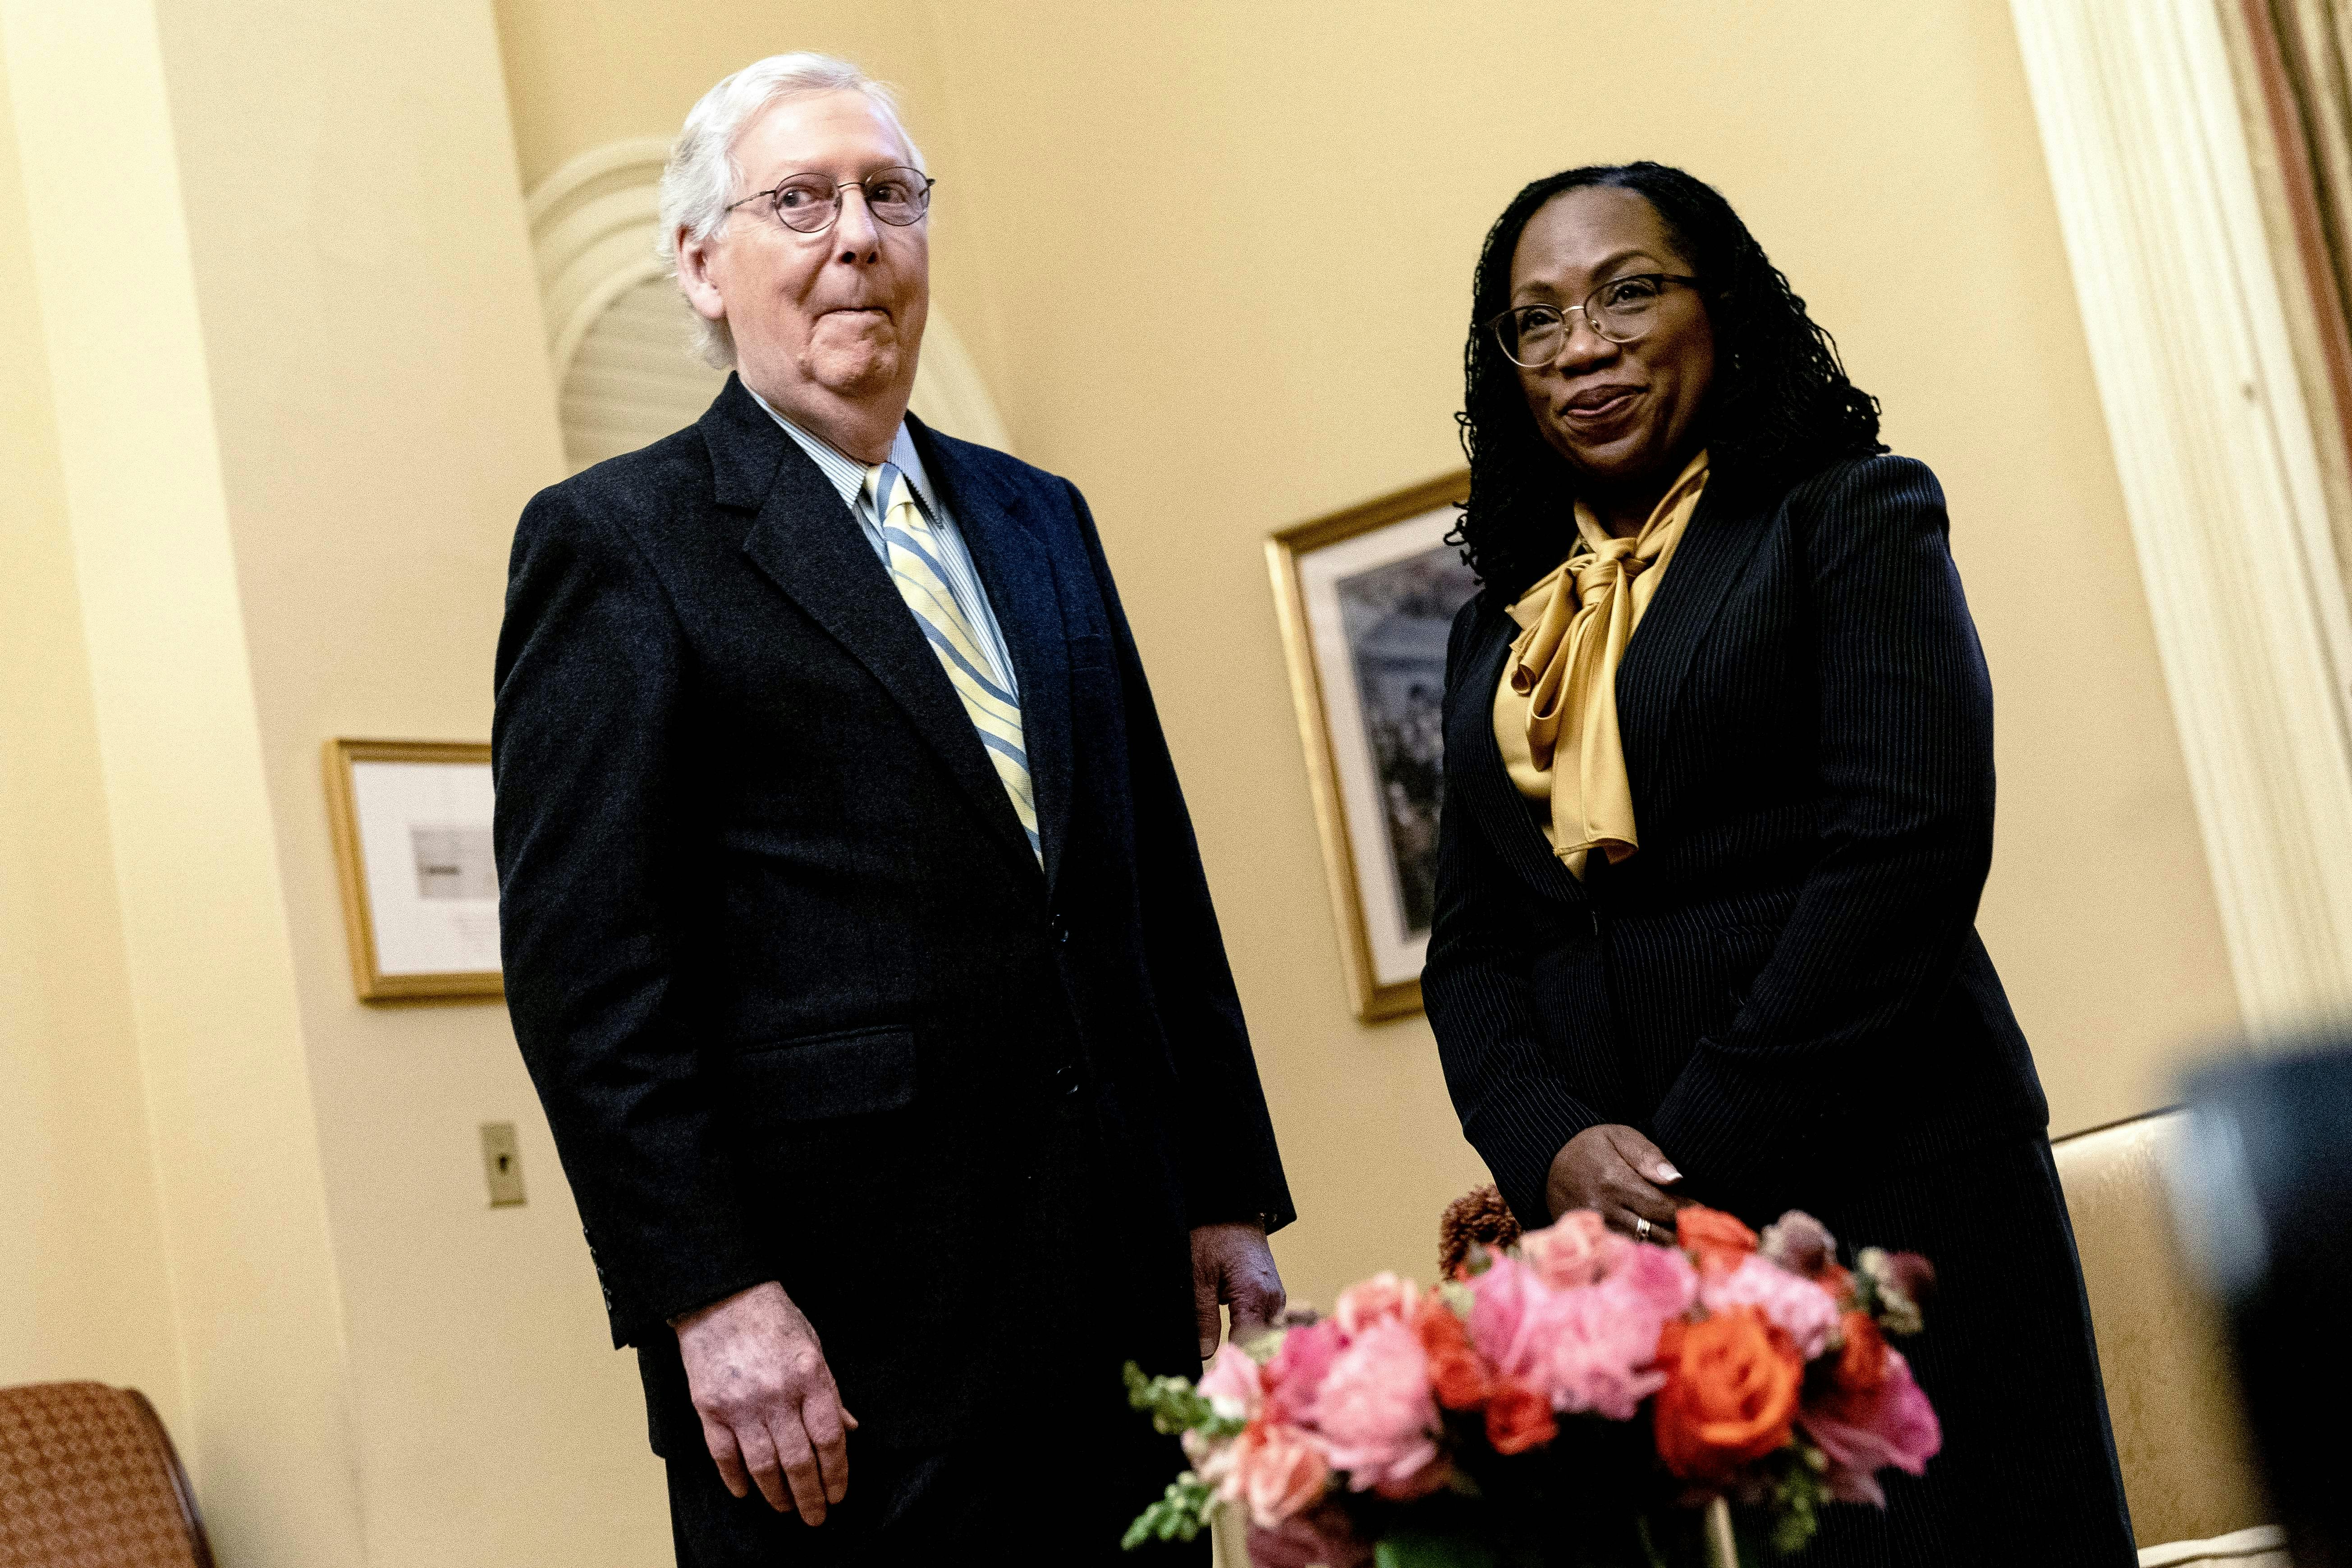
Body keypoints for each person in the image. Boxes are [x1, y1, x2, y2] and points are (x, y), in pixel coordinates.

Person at [492, 53, 1292, 1567]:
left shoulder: (1040, 516)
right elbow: (590, 978)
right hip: (835, 1357)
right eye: (796, 200)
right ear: (701, 263)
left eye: (888, 195)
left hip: (1114, 1308)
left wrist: (1222, 1192)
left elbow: (1144, 885)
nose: (855, 235)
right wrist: (709, 1294)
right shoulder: (618, 544)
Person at [1421, 163, 2135, 1564]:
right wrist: (1549, 1143)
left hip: (1888, 1194)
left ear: (1722, 310)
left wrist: (1694, 1152)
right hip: (1623, 1262)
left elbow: (1904, 850)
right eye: (1537, 318)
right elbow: (1474, 945)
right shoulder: (1491, 632)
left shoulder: (1848, 515)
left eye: (1627, 291)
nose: (1583, 345)